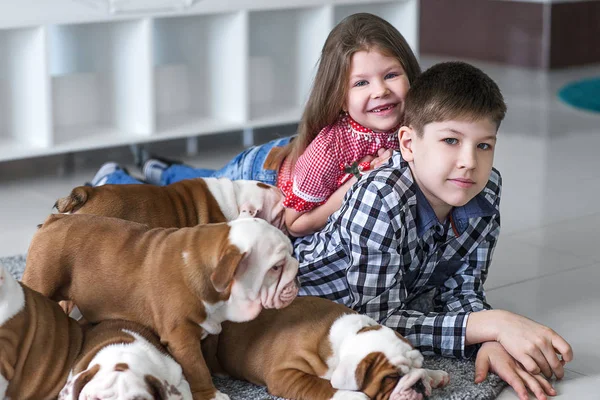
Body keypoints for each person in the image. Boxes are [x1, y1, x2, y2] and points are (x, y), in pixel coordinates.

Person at [294, 60, 573, 400]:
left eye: (484, 145)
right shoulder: (380, 197)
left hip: (392, 294)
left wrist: (486, 337)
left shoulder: (485, 188)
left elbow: (463, 286)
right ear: (408, 144)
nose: (469, 161)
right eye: (451, 140)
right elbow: (374, 322)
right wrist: (492, 323)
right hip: (305, 300)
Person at [89, 12, 421, 237]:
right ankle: (113, 179)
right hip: (260, 179)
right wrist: (354, 186)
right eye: (361, 83)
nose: (381, 91)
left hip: (288, 156)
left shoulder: (416, 121)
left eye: (391, 75)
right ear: (338, 97)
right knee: (188, 205)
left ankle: (162, 168)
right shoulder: (330, 149)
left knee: (202, 180)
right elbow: (294, 223)